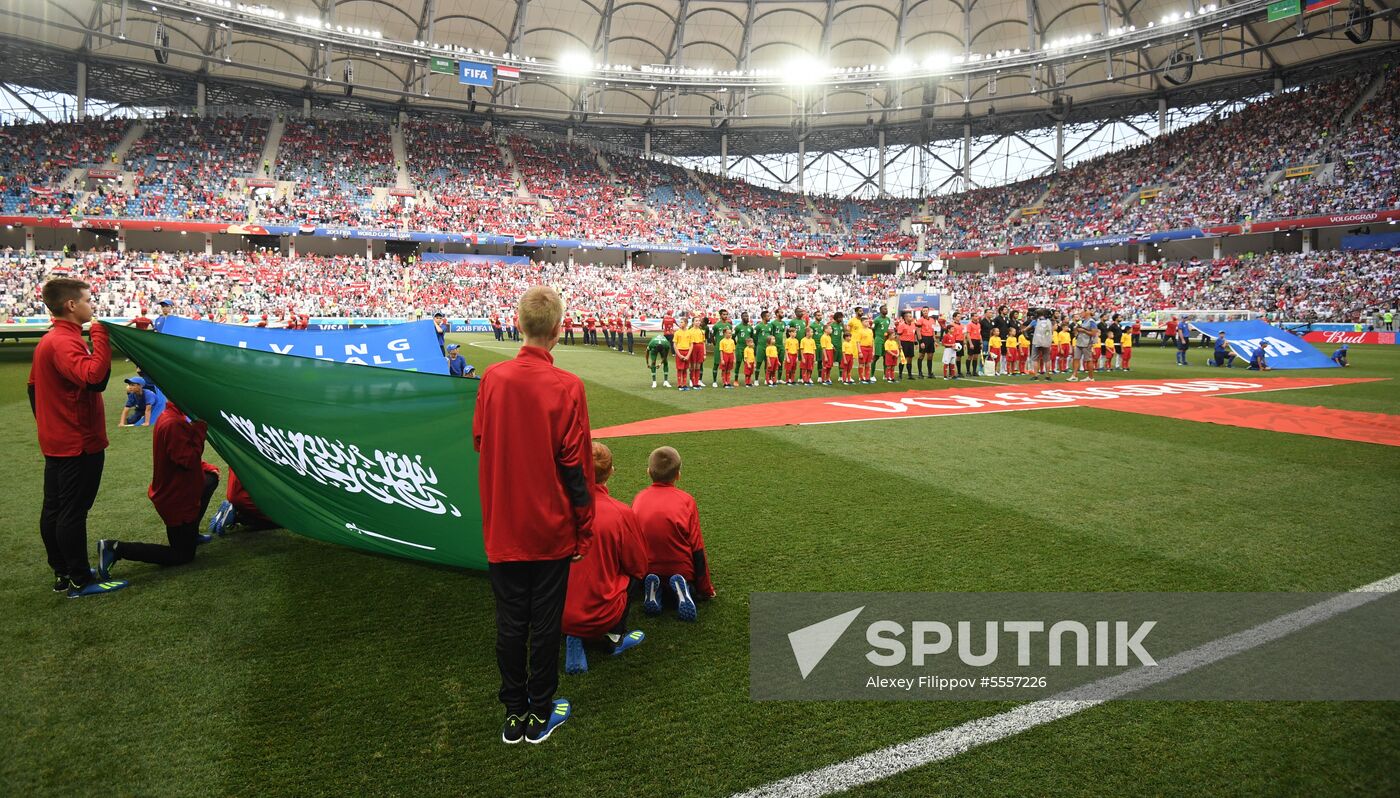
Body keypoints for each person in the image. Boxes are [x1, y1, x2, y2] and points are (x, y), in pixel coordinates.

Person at [472, 285, 594, 745]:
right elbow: (576, 467)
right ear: (559, 331)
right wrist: (584, 529)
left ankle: (514, 713)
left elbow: (481, 441)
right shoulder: (567, 387)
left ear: (518, 324)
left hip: (503, 526)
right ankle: (541, 711)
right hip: (550, 528)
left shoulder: (493, 379)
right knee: (545, 623)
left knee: (510, 622)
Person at [29, 278, 127, 598]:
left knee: (55, 510)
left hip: (59, 440)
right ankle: (80, 580)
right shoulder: (63, 341)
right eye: (88, 299)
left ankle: (63, 573)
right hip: (78, 443)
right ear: (72, 305)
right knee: (71, 513)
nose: (92, 304)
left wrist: (50, 423)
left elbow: (33, 389)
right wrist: (99, 334)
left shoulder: (50, 340)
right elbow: (94, 377)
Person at [97, 403, 221, 577]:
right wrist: (200, 428)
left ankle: (191, 533)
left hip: (178, 491)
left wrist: (205, 466)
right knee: (183, 555)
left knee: (210, 479)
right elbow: (188, 460)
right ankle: (116, 548)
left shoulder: (172, 415)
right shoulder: (173, 423)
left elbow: (179, 456)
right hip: (176, 500)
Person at [562, 443, 648, 675]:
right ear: (611, 471)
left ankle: (574, 634)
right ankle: (615, 637)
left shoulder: (554, 507)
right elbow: (638, 565)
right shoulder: (620, 512)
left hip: (552, 611)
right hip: (600, 612)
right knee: (634, 575)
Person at [632, 446, 715, 622]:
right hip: (681, 569)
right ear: (678, 475)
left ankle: (653, 589)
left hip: (648, 569)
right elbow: (697, 547)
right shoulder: (686, 500)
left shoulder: (639, 499)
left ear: (648, 472)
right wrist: (706, 589)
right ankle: (683, 590)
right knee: (689, 585)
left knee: (650, 574)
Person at [1070, 311, 1097, 382]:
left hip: (1087, 343)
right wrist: (1076, 329)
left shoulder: (1092, 322)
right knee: (1076, 358)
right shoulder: (1082, 321)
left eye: (1082, 313)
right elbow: (1074, 329)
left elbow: (1094, 333)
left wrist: (1083, 331)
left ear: (1087, 313)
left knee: (1088, 359)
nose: (1080, 314)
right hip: (1079, 341)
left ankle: (1091, 377)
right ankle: (1074, 375)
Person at [709, 309, 733, 387]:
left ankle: (726, 381)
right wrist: (715, 345)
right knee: (716, 364)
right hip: (719, 348)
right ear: (720, 315)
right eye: (724, 314)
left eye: (726, 314)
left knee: (726, 366)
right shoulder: (716, 326)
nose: (725, 316)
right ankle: (714, 381)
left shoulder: (729, 325)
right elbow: (712, 336)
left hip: (727, 350)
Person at [674, 317, 694, 391]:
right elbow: (674, 345)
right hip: (680, 351)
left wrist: (688, 355)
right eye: (680, 322)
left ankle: (684, 384)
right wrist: (679, 355)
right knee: (680, 369)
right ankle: (679, 384)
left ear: (686, 323)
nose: (680, 323)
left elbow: (691, 344)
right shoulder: (677, 332)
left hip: (687, 351)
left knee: (685, 369)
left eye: (682, 322)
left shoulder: (689, 333)